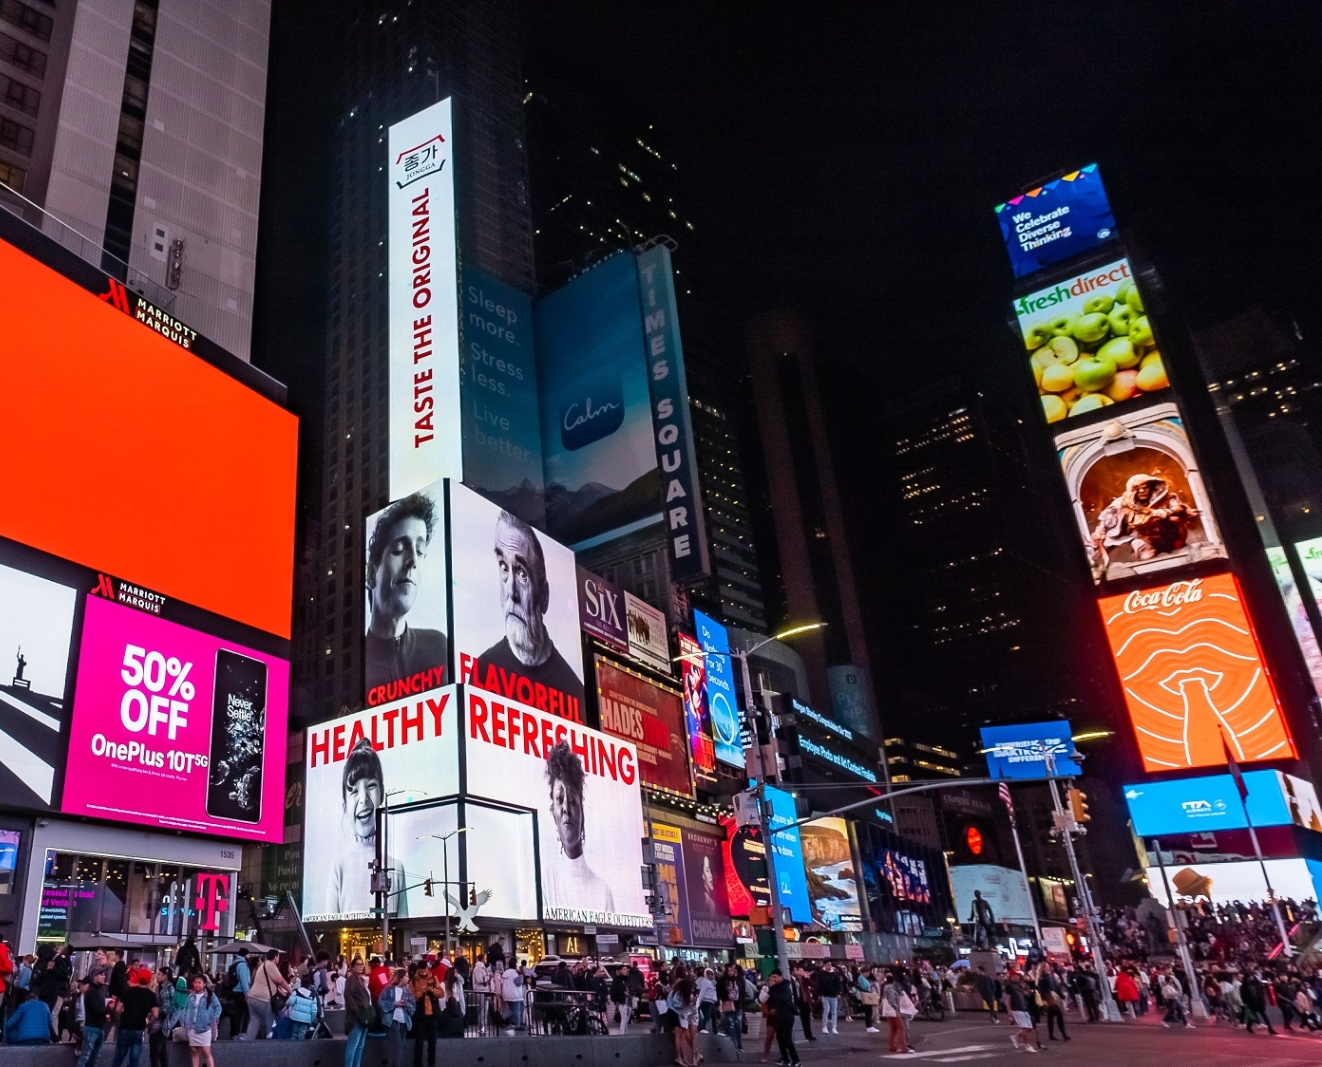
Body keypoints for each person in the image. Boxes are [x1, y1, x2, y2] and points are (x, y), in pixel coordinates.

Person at [472, 511, 585, 713]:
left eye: (522, 574)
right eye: (504, 567)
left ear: (544, 596)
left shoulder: (574, 692)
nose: (511, 592)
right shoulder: (483, 670)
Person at [364, 491, 448, 702]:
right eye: (399, 549)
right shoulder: (356, 666)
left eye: (419, 551)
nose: (413, 561)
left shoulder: (439, 648)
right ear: (372, 573)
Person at [326, 742, 406, 917]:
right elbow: (329, 927)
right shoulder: (338, 868)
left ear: (382, 794)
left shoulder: (396, 867)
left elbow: (404, 927)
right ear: (344, 807)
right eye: (354, 791)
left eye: (370, 786)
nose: (363, 798)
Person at [541, 741, 614, 911]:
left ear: (582, 812)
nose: (566, 808)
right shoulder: (545, 883)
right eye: (560, 800)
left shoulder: (602, 890)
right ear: (553, 814)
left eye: (573, 801)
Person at [108, 968, 158, 1067]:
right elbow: (155, 1014)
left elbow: (117, 1009)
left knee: (118, 1057)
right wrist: (148, 1025)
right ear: (149, 980)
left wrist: (120, 1019)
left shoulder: (127, 992)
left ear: (138, 978)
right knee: (134, 1060)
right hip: (138, 1029)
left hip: (124, 1027)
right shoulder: (151, 995)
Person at [244, 949, 290, 1040]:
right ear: (276, 957)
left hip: (252, 998)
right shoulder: (270, 965)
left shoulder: (263, 965)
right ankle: (269, 1045)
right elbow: (280, 981)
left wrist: (284, 994)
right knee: (270, 1025)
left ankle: (247, 1044)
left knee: (254, 1022)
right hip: (263, 1000)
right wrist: (291, 990)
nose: (278, 959)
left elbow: (274, 985)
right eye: (278, 957)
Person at [180, 976, 221, 1067]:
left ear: (204, 984)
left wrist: (211, 1018)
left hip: (205, 1028)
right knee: (194, 1051)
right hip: (191, 1027)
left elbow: (218, 1008)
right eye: (195, 982)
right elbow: (185, 1008)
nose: (197, 985)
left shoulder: (210, 995)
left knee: (206, 1052)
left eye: (199, 983)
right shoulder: (191, 996)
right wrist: (185, 1020)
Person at [760, 973, 799, 1067]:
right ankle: (785, 1058)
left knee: (787, 1039)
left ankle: (796, 1060)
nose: (773, 980)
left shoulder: (785, 987)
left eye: (775, 977)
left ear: (780, 977)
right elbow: (762, 1000)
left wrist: (770, 992)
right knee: (780, 1037)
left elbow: (783, 998)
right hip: (779, 1016)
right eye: (771, 978)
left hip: (786, 1016)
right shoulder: (773, 988)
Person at [379, 970, 415, 1067]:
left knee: (399, 1047)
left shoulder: (407, 991)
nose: (408, 978)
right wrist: (394, 1004)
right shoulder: (388, 989)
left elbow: (413, 1006)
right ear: (401, 978)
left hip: (403, 1021)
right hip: (391, 1021)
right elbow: (381, 1002)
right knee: (397, 1045)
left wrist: (406, 1005)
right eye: (406, 977)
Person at [343, 960, 373, 1067]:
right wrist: (356, 1010)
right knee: (353, 1045)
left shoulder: (360, 980)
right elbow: (348, 995)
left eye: (361, 964)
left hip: (363, 1016)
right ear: (353, 967)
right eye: (357, 964)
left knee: (360, 1045)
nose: (360, 966)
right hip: (356, 1017)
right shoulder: (351, 979)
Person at [410, 964, 439, 1066]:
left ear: (427, 969)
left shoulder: (434, 978)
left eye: (425, 971)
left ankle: (431, 1064)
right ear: (418, 970)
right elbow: (412, 997)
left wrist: (432, 990)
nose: (424, 973)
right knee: (419, 1043)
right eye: (422, 971)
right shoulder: (413, 981)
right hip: (420, 1015)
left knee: (432, 1044)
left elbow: (441, 993)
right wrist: (422, 992)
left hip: (432, 1014)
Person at [668, 975, 699, 1067]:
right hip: (674, 1013)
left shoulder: (677, 992)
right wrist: (689, 1002)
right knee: (678, 1034)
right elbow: (677, 1005)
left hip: (678, 1013)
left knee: (680, 1034)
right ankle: (679, 1057)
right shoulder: (677, 993)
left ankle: (683, 1057)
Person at [1003, 972, 1038, 1054]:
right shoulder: (1009, 986)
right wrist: (1009, 1013)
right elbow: (1007, 1000)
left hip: (1024, 1007)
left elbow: (1024, 994)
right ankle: (1027, 1046)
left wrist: (1027, 992)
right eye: (1016, 976)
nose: (1018, 977)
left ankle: (1015, 1037)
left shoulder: (1019, 985)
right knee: (1024, 1028)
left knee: (1030, 1028)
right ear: (1012, 976)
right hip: (1016, 1008)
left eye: (1018, 976)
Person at [1036, 964, 1068, 1041]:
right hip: (1049, 997)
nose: (1049, 967)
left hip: (1054, 996)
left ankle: (1051, 1035)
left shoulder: (1050, 976)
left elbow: (1056, 986)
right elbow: (1041, 990)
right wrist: (1044, 999)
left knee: (1050, 1016)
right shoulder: (1043, 978)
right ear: (1043, 969)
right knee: (1059, 1015)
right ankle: (1063, 1034)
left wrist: (1061, 995)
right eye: (1046, 966)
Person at [715, 965, 743, 1048]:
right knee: (731, 1023)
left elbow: (742, 992)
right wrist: (719, 1002)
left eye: (732, 970)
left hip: (737, 1004)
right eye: (729, 970)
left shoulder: (738, 980)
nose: (731, 972)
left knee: (737, 1024)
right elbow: (718, 992)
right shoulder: (722, 980)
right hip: (728, 1003)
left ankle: (739, 1043)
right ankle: (733, 1044)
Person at [285, 974, 318, 1040]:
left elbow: (289, 1002)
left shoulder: (296, 992)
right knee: (301, 1035)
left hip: (295, 1018)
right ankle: (300, 1046)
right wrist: (310, 1019)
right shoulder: (312, 995)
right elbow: (314, 1010)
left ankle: (293, 1046)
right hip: (306, 1020)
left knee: (294, 1034)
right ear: (309, 986)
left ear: (301, 984)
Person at [229, 948, 251, 1039]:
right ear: (245, 955)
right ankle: (242, 1032)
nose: (249, 956)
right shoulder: (242, 965)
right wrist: (247, 993)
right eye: (248, 954)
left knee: (238, 1013)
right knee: (245, 1012)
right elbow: (244, 980)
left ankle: (235, 1033)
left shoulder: (236, 963)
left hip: (235, 991)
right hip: (241, 992)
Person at [817, 961, 841, 1035]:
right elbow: (819, 984)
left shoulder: (835, 974)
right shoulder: (821, 973)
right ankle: (824, 1026)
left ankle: (834, 1027)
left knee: (834, 1011)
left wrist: (838, 993)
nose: (829, 966)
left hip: (833, 995)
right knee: (826, 1010)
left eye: (830, 964)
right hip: (825, 995)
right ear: (825, 965)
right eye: (828, 964)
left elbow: (838, 984)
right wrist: (819, 994)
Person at [499, 962, 524, 1033]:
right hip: (515, 995)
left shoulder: (505, 973)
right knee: (517, 1010)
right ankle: (518, 1025)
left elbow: (502, 984)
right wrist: (521, 975)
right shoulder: (514, 973)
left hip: (507, 994)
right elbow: (518, 983)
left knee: (510, 1009)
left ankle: (501, 1019)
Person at [696, 967, 718, 1034]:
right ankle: (702, 1028)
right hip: (707, 1001)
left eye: (711, 974)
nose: (710, 975)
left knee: (714, 1016)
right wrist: (699, 1000)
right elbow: (702, 991)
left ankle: (715, 1031)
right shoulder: (705, 981)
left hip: (712, 1001)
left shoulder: (712, 982)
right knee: (707, 1016)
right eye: (709, 974)